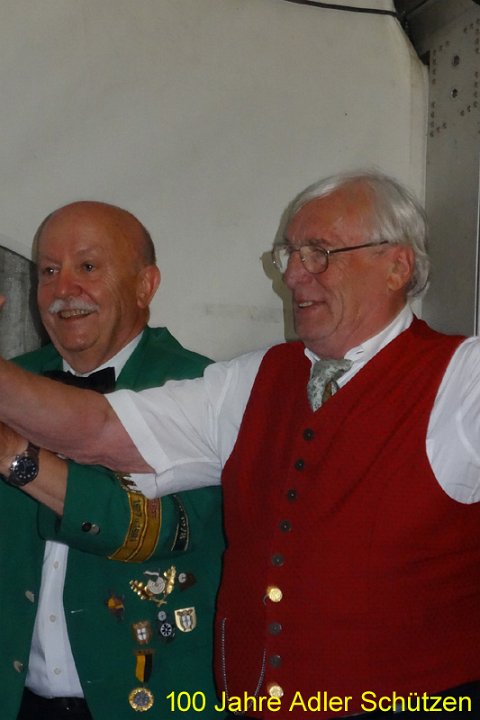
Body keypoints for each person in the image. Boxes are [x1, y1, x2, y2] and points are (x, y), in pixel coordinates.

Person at [0, 170, 479, 719]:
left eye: (319, 253)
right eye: (289, 255)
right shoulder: (253, 379)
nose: (293, 275)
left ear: (397, 266)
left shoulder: (463, 377)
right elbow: (100, 431)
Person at [0, 201, 225, 720]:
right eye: (48, 271)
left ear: (146, 285)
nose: (63, 289)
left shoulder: (204, 392)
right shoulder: (13, 383)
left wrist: (14, 455)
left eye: (88, 266)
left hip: (153, 705)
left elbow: (166, 529)